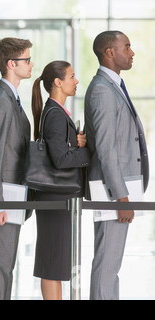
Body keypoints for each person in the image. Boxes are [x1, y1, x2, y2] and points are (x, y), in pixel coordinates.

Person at [85, 31, 149, 300]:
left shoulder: (113, 86)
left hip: (120, 189)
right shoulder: (102, 89)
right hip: (113, 192)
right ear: (109, 53)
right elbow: (106, 148)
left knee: (113, 265)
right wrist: (120, 197)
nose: (132, 52)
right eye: (127, 46)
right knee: (107, 263)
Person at [31, 61, 89, 300]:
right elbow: (61, 159)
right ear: (58, 82)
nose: (76, 81)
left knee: (54, 263)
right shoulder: (55, 114)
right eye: (72, 77)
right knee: (52, 264)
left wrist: (75, 143)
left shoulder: (55, 111)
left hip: (56, 200)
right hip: (56, 200)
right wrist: (85, 150)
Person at [0, 37, 33, 300]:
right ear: (12, 64)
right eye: (27, 59)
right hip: (3, 196)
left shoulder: (11, 98)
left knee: (6, 266)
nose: (31, 64)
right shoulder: (1, 101)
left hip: (12, 195)